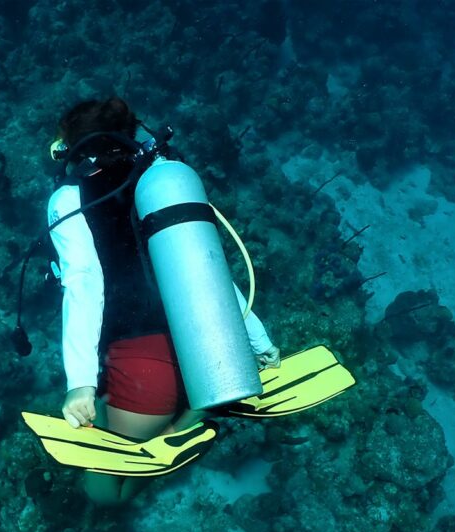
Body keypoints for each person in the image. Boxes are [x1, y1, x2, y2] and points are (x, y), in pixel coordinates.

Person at [46, 98, 280, 505]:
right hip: (211, 349)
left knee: (102, 493)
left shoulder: (69, 199)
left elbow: (85, 283)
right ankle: (197, 416)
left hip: (143, 365)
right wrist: (258, 342)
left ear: (73, 148)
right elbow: (206, 267)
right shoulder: (164, 178)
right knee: (161, 438)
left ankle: (184, 433)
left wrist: (80, 384)